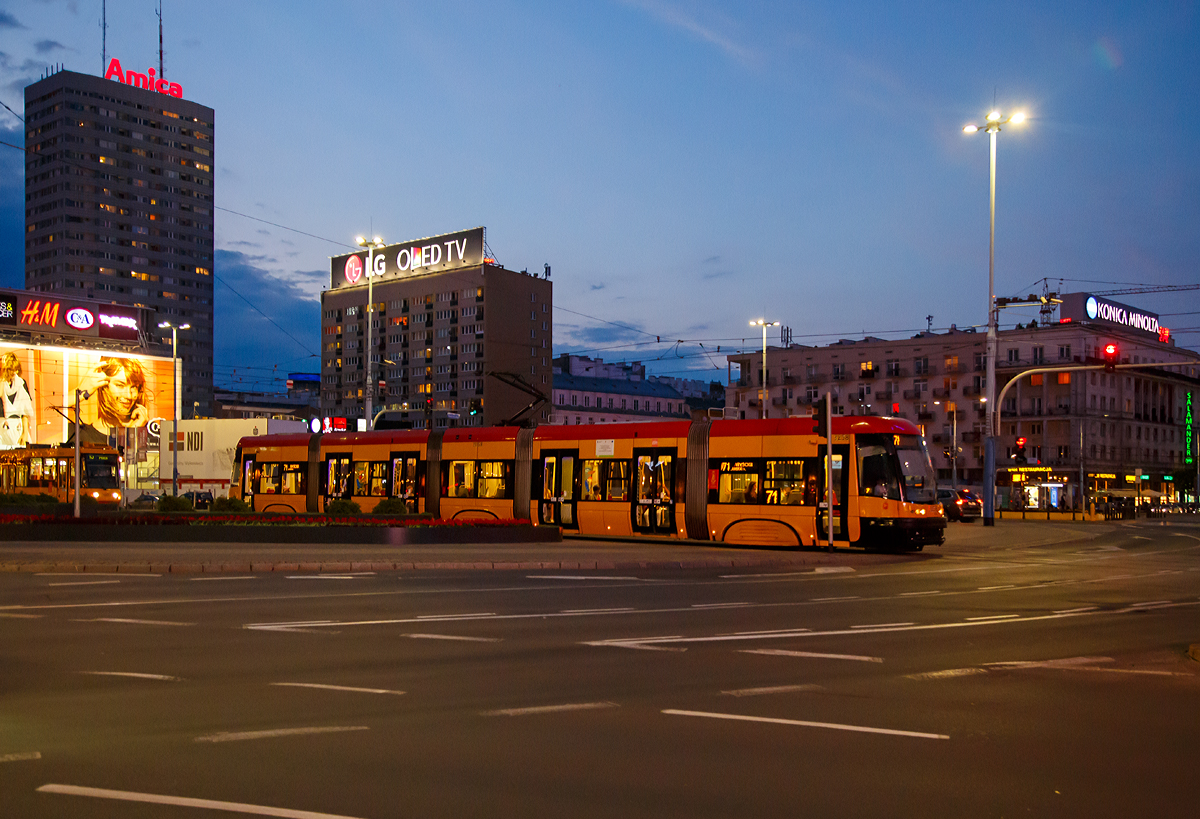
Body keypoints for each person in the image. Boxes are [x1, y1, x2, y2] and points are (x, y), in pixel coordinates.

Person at [75, 357, 149, 443]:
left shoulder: (151, 433)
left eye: (134, 387)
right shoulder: (81, 436)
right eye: (120, 385)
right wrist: (79, 394)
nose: (128, 395)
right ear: (103, 386)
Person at [1, 352, 35, 448]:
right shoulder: (1, 383)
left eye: (16, 369)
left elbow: (25, 413)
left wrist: (25, 433)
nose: (15, 372)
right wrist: (1, 376)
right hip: (2, 428)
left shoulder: (21, 383)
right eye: (12, 369)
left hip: (18, 428)